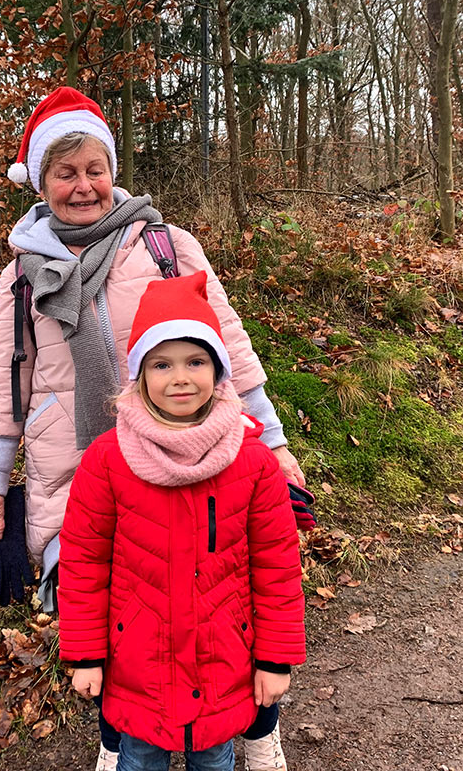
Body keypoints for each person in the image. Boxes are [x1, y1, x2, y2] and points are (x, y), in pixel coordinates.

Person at [0, 86, 303, 769]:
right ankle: (119, 740)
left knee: (222, 596)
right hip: (83, 470)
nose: (83, 185)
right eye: (65, 172)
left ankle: (258, 728)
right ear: (40, 180)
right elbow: (6, 381)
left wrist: (272, 440)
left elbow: (228, 347)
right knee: (116, 616)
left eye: (95, 168)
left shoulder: (164, 244)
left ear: (112, 170)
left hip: (194, 460)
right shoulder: (21, 277)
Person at [58, 272, 306, 771]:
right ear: (138, 374)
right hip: (136, 669)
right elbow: (83, 562)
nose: (180, 377)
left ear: (218, 370)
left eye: (196, 361)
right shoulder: (108, 459)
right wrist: (85, 654)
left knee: (214, 759)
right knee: (139, 758)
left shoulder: (251, 461)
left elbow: (277, 567)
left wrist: (275, 660)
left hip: (222, 667)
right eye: (161, 364)